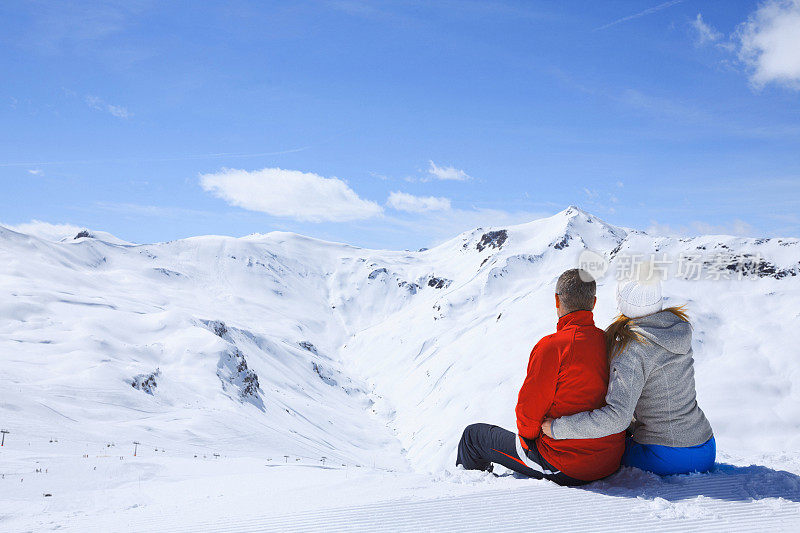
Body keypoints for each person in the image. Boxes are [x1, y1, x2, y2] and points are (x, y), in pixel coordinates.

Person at [456, 269, 625, 486]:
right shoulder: (611, 343)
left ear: (557, 300)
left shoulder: (552, 347)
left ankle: (467, 497)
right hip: (609, 459)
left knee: (473, 437)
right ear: (593, 303)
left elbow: (528, 413)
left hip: (565, 464)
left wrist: (531, 439)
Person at [541, 269, 716, 476]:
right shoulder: (675, 330)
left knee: (603, 451)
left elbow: (617, 417)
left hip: (667, 455)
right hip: (706, 447)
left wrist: (558, 428)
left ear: (621, 302)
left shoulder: (632, 347)